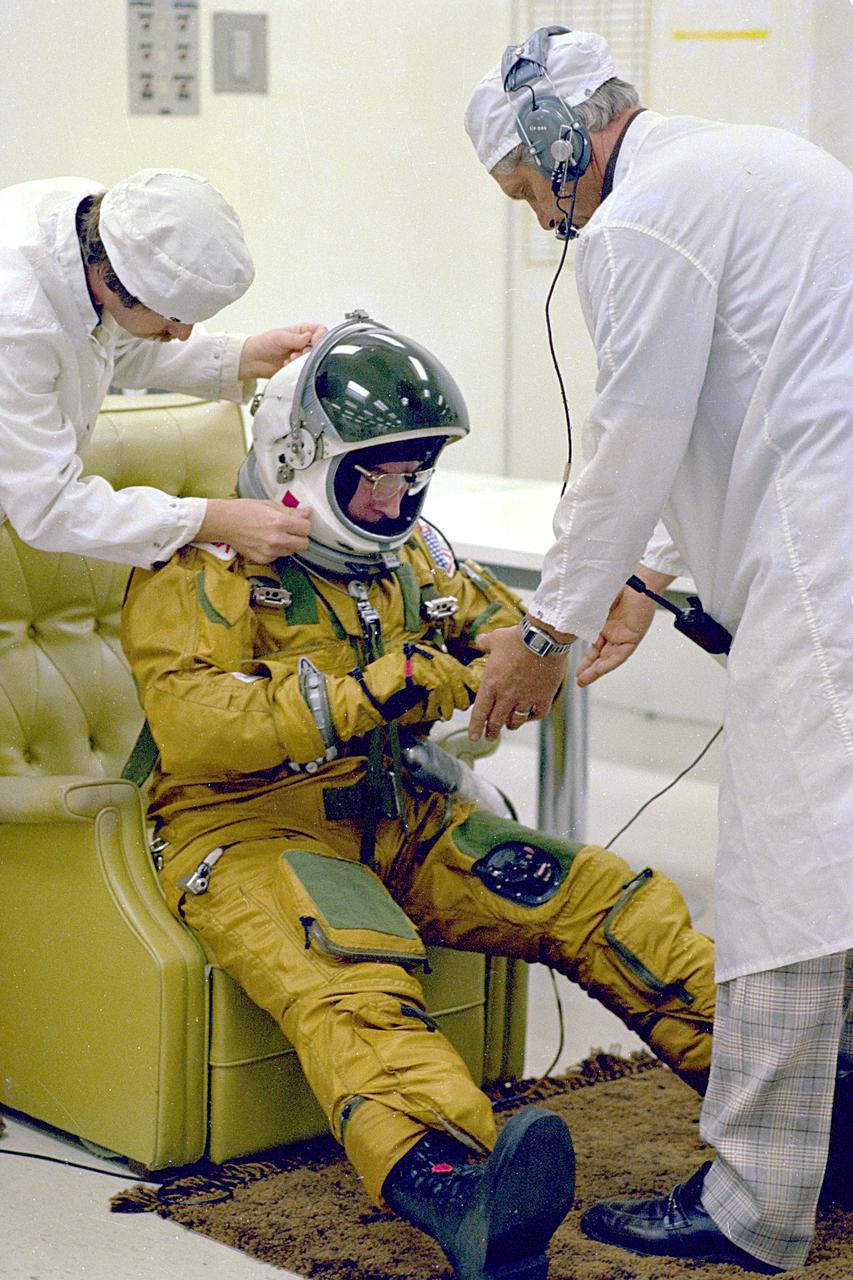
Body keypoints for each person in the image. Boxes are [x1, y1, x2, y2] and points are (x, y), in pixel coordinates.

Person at [121, 312, 717, 1280]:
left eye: (412, 476)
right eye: (374, 476)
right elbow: (199, 728)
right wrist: (375, 689)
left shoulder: (414, 553)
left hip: (403, 816)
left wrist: (515, 654)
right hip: (251, 830)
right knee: (357, 979)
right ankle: (462, 1188)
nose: (394, 497)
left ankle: (796, 1097)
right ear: (300, 457)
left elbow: (497, 626)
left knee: (602, 897)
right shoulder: (204, 564)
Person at [464, 25, 852, 1275]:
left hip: (827, 565)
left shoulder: (638, 224)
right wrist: (644, 577)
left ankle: (752, 1204)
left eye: (526, 192)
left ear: (559, 142)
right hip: (822, 527)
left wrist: (546, 630)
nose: (541, 222)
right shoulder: (751, 163)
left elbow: (632, 438)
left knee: (789, 874)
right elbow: (741, 400)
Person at [0, 168, 325, 568]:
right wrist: (212, 520)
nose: (183, 334)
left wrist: (248, 356)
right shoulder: (16, 321)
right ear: (112, 280)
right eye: (174, 319)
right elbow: (48, 507)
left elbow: (102, 340)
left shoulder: (100, 221)